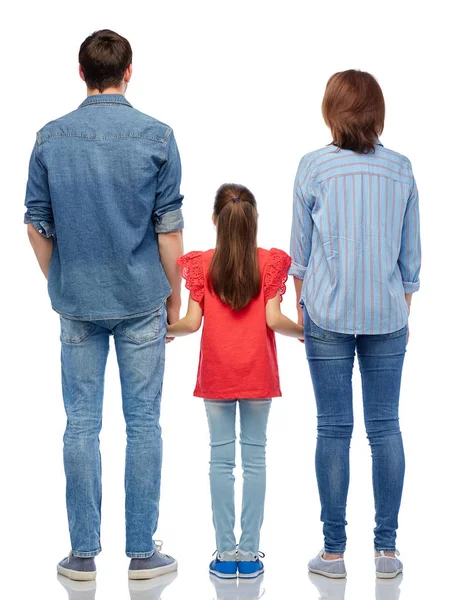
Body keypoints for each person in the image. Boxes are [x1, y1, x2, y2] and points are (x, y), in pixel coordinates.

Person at [24, 30, 183, 581]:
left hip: (78, 301)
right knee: (143, 424)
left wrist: (60, 279)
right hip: (142, 299)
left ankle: (82, 555)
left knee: (80, 426)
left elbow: (35, 223)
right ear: (129, 72)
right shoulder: (158, 137)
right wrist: (175, 300)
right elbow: (169, 231)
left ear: (81, 72)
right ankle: (142, 553)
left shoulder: (49, 138)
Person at [289, 70, 421, 579]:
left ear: (332, 112)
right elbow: (411, 260)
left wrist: (308, 307)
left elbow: (300, 257)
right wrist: (397, 306)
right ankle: (386, 553)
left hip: (326, 314)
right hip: (388, 317)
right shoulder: (402, 168)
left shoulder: (312, 167)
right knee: (385, 427)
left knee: (334, 429)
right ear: (376, 112)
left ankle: (333, 553)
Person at [167, 183, 304, 579]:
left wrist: (165, 329)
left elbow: (191, 324)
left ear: (214, 221)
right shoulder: (270, 262)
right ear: (255, 220)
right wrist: (305, 333)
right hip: (258, 375)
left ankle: (226, 555)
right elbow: (274, 319)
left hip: (217, 377)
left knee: (221, 461)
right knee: (256, 460)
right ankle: (250, 553)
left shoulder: (202, 265)